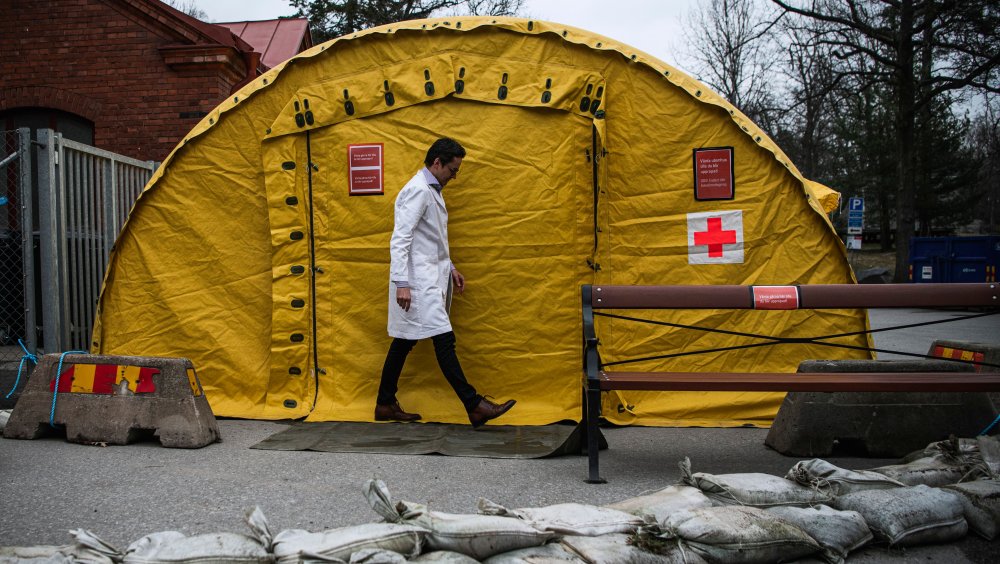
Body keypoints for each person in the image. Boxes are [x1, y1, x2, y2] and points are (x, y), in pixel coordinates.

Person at [375, 137, 516, 428]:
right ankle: (474, 405)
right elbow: (401, 239)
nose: (455, 176)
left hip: (426, 278)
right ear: (437, 162)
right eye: (452, 170)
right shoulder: (417, 190)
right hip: (416, 283)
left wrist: (450, 266)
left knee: (404, 342)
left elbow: (430, 238)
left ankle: (385, 403)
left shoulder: (430, 189)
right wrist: (402, 282)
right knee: (444, 340)